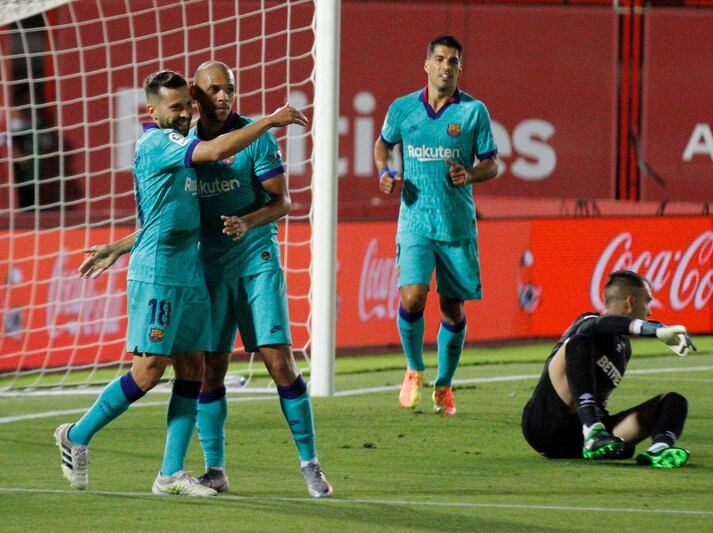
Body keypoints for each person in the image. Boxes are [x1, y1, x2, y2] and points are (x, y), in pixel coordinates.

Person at [77, 61, 332, 498]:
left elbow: (283, 201)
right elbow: (168, 215)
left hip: (255, 258)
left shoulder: (253, 138)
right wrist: (121, 246)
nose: (223, 96)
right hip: (203, 268)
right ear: (195, 97)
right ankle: (212, 469)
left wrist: (248, 222)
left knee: (278, 360)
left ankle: (310, 464)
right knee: (204, 369)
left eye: (229, 88)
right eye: (213, 90)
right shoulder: (184, 145)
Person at [373, 35, 498, 416]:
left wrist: (471, 174)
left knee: (452, 309)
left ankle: (444, 385)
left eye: (454, 61)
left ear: (460, 68)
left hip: (456, 223)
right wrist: (385, 170)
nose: (446, 66)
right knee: (412, 295)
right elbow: (383, 145)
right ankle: (414, 368)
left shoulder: (474, 112)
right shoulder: (402, 109)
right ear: (426, 64)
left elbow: (491, 163)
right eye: (440, 59)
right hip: (414, 219)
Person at [521, 270, 696, 468]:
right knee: (578, 343)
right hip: (544, 424)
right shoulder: (588, 321)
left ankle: (659, 450)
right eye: (647, 301)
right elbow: (600, 325)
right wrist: (654, 329)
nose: (650, 311)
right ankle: (592, 431)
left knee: (674, 401)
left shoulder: (624, 349)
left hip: (575, 441)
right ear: (630, 302)